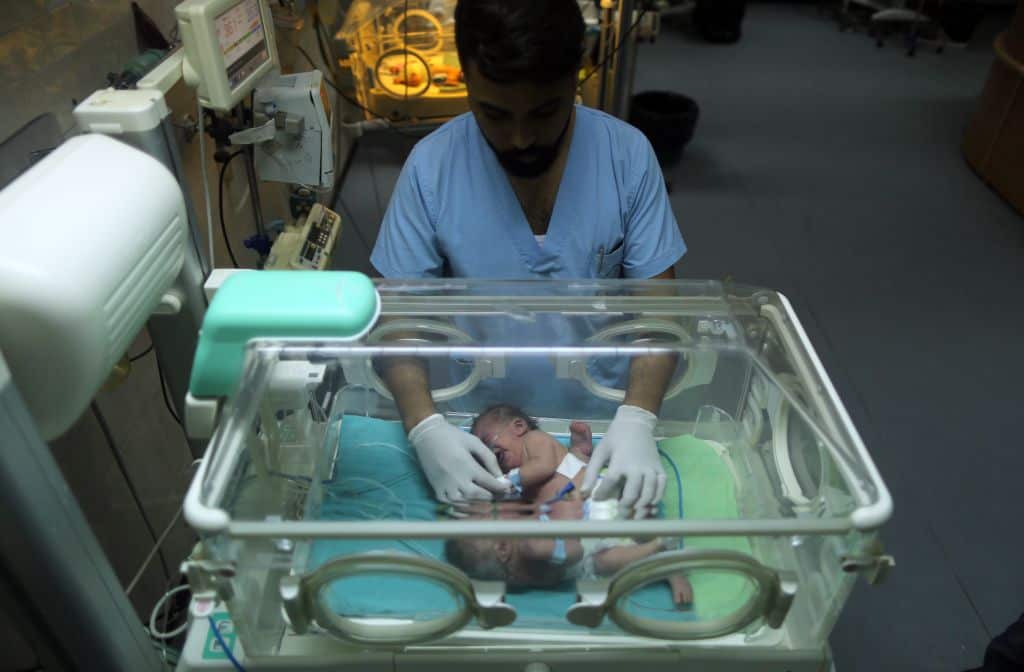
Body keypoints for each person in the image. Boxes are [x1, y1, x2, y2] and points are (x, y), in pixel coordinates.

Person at [373, 0, 687, 509]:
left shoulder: (626, 157)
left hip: (603, 413)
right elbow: (396, 322)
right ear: (467, 86)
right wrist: (425, 426)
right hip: (480, 424)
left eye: (544, 112)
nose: (520, 140)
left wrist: (638, 418)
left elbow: (662, 315)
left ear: (575, 78)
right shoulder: (433, 168)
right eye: (493, 114)